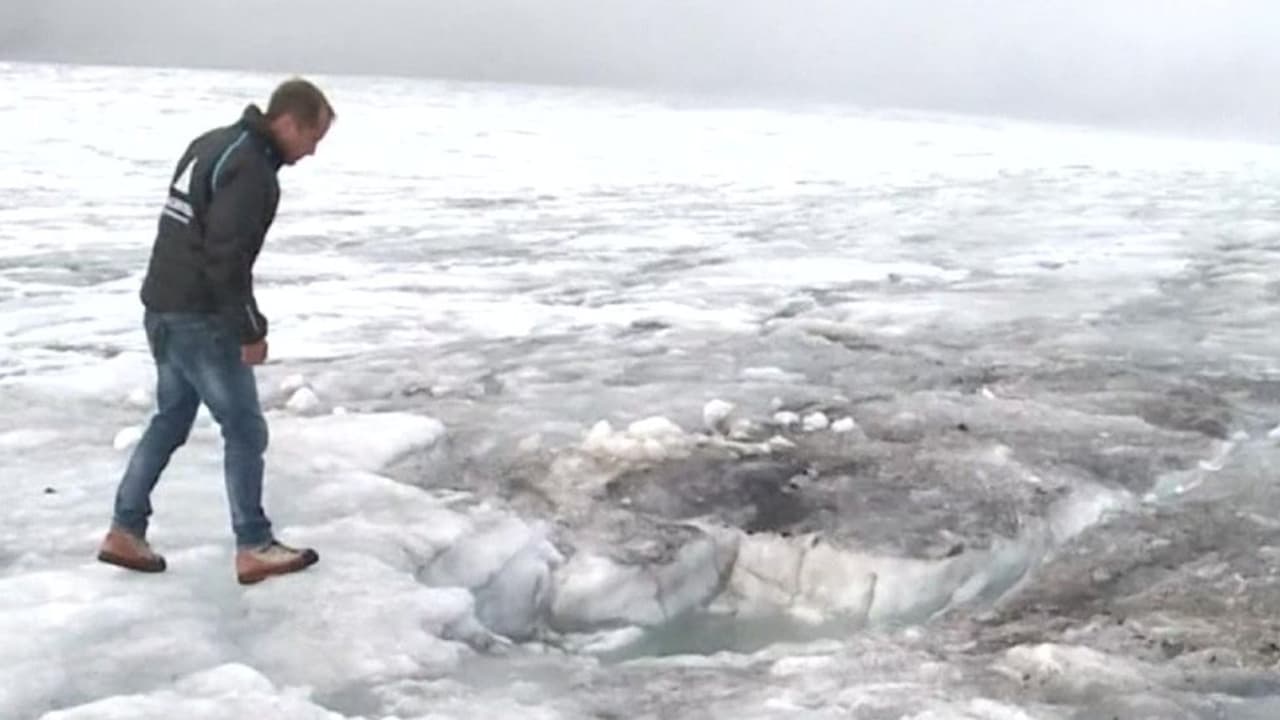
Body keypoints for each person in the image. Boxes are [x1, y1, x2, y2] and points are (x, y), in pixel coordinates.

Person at [97, 78, 334, 585]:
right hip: (200, 318)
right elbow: (225, 259)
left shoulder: (211, 144)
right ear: (289, 121)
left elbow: (185, 233)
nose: (312, 152)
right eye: (313, 137)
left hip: (162, 306)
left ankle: (125, 529)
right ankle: (254, 544)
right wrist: (249, 329)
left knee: (171, 420)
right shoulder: (251, 169)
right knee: (245, 429)